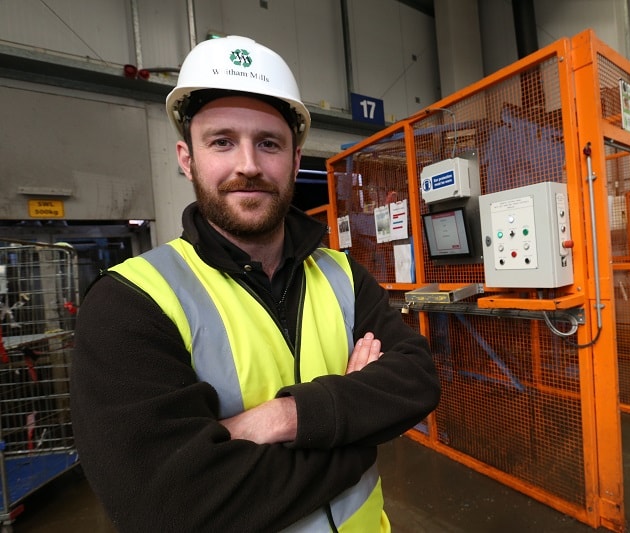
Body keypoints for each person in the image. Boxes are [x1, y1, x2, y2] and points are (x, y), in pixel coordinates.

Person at [71, 35, 440, 532]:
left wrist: (282, 417)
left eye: (268, 143)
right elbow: (170, 505)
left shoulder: (341, 273)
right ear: (187, 158)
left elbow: (418, 382)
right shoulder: (132, 301)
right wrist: (358, 429)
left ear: (294, 157)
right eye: (222, 141)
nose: (248, 163)